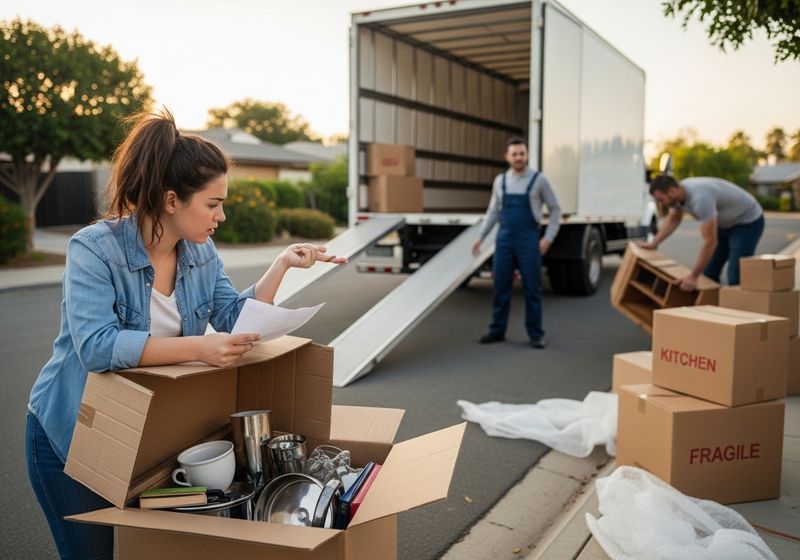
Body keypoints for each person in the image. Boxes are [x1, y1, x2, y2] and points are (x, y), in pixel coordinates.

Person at [25, 109, 346, 559]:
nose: (222, 216)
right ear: (171, 200)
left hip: (145, 435)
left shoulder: (200, 250)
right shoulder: (94, 250)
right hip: (72, 434)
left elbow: (233, 318)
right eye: (213, 204)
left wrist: (281, 266)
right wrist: (201, 347)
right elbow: (98, 347)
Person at [471, 136, 561, 349]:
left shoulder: (539, 180)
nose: (519, 157)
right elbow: (493, 212)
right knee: (501, 286)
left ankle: (536, 334)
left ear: (527, 155)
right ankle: (497, 331)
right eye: (514, 154)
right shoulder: (500, 181)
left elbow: (555, 209)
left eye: (522, 153)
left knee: (532, 289)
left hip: (529, 240)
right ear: (507, 157)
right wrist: (480, 237)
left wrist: (548, 238)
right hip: (504, 240)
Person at [639, 175, 764, 289]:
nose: (661, 204)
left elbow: (710, 242)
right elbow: (673, 219)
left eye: (661, 199)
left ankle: (740, 310)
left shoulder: (700, 199)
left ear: (671, 191)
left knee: (735, 272)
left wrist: (693, 277)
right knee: (709, 273)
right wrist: (654, 243)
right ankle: (711, 309)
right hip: (724, 224)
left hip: (747, 222)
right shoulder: (678, 195)